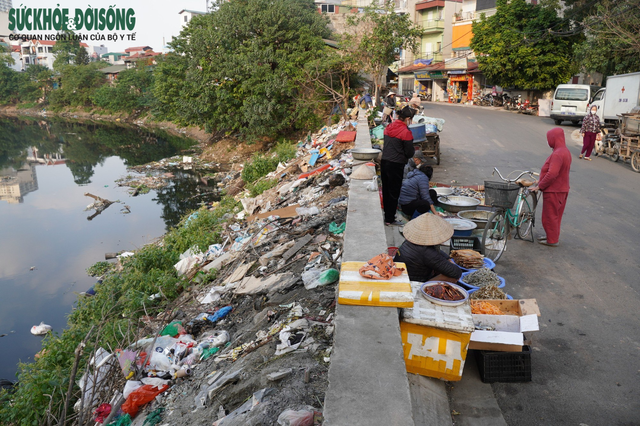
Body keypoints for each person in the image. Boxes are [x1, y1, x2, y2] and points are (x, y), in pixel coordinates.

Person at [529, 128, 572, 247]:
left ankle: (552, 240)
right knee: (556, 216)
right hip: (561, 189)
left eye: (549, 139)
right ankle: (551, 237)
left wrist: (540, 186)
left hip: (554, 190)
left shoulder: (558, 154)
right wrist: (540, 180)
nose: (548, 142)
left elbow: (552, 174)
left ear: (554, 139)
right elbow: (560, 173)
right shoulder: (565, 151)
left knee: (550, 216)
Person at [394, 214, 462, 283]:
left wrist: (447, 258)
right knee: (452, 277)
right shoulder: (426, 252)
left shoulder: (414, 240)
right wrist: (451, 264)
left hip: (405, 273)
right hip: (412, 281)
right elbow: (456, 272)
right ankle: (424, 288)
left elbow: (435, 253)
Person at [381, 105, 416, 226]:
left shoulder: (388, 127)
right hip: (396, 165)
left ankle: (387, 216)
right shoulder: (406, 132)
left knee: (386, 190)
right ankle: (390, 219)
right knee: (394, 192)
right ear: (407, 119)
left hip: (384, 162)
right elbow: (410, 152)